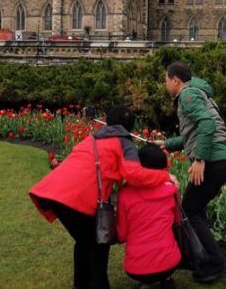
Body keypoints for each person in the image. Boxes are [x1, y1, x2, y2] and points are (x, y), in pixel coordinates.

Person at [29, 106, 176, 289]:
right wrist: (165, 176)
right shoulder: (124, 142)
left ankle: (82, 284)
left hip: (54, 193)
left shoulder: (92, 139)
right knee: (98, 244)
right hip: (78, 198)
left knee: (84, 241)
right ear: (129, 126)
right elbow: (134, 174)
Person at [152, 61, 226, 283]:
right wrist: (168, 144)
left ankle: (217, 263)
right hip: (222, 158)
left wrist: (200, 160)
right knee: (195, 209)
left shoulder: (188, 96)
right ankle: (203, 258)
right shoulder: (197, 93)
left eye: (166, 80)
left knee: (189, 210)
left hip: (214, 159)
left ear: (175, 80)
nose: (165, 84)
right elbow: (195, 132)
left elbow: (207, 125)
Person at [117, 144, 180, 289]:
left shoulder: (125, 194)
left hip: (136, 267)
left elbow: (122, 234)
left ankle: (146, 282)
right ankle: (166, 277)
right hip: (171, 261)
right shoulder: (172, 189)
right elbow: (177, 221)